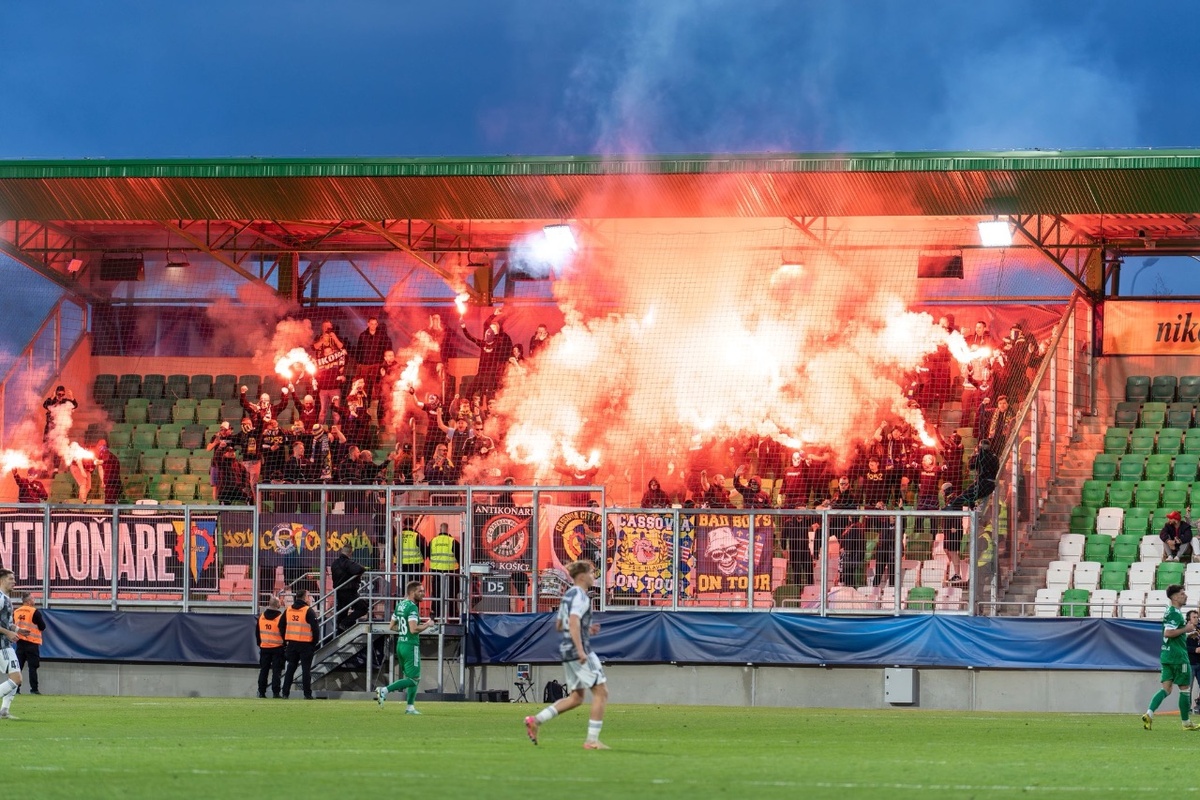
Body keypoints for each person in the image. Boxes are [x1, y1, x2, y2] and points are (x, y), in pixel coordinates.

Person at [524, 560, 609, 750]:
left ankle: (535, 720)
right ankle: (592, 740)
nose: (594, 577)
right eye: (592, 573)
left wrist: (586, 628)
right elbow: (572, 621)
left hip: (565, 649)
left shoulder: (568, 595)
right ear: (582, 576)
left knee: (576, 697)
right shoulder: (580, 596)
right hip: (578, 649)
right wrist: (580, 650)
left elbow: (559, 625)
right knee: (601, 692)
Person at [1141, 584, 1199, 730]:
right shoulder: (1175, 613)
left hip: (1166, 655)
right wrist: (1187, 628)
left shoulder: (1169, 611)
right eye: (1182, 593)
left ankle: (1149, 714)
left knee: (1166, 689)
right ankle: (1186, 723)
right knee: (1185, 689)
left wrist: (1186, 634)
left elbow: (1172, 633)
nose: (1185, 595)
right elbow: (1168, 633)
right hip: (1178, 656)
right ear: (1174, 597)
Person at [375, 580, 436, 715]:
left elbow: (392, 626)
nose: (423, 593)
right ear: (412, 592)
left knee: (413, 678)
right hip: (410, 645)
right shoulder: (412, 607)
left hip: (400, 644)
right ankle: (384, 690)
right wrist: (428, 624)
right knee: (413, 679)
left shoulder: (400, 605)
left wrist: (404, 631)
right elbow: (414, 629)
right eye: (420, 591)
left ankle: (410, 708)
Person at [280, 588, 319, 700]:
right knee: (306, 670)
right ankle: (307, 694)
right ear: (305, 598)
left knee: (290, 669)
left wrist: (285, 639)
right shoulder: (308, 611)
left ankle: (285, 693)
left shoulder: (288, 610)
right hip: (306, 644)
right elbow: (315, 629)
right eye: (308, 596)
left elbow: (281, 626)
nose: (309, 598)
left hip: (291, 644)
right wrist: (314, 643)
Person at [330, 542, 367, 633]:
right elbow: (360, 569)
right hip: (349, 591)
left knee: (342, 613)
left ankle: (339, 631)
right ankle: (345, 623)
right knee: (363, 608)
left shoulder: (334, 563)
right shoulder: (347, 563)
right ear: (350, 553)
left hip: (338, 591)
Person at [0, 569, 22, 718]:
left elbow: (7, 623)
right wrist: (8, 633)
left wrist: (18, 629)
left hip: (5, 643)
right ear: (1, 580)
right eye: (10, 579)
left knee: (15, 677)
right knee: (16, 679)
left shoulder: (6, 598)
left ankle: (4, 710)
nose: (14, 581)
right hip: (1, 645)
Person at [428, 522, 461, 620]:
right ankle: (450, 617)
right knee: (450, 595)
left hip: (436, 572)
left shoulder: (433, 541)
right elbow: (459, 557)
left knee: (437, 594)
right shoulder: (453, 541)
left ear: (439, 529)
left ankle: (437, 616)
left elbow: (429, 555)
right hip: (451, 572)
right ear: (448, 529)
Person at [13, 593, 44, 695]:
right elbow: (42, 626)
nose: (34, 600)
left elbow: (12, 625)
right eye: (33, 598)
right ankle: (34, 690)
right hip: (32, 643)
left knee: (18, 667)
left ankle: (16, 690)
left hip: (20, 643)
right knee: (33, 667)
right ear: (29, 601)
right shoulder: (34, 611)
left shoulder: (16, 611)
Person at [255, 595, 285, 699]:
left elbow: (257, 633)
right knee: (276, 672)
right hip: (278, 648)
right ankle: (276, 693)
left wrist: (261, 644)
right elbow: (284, 633)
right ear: (277, 604)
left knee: (264, 670)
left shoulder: (262, 616)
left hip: (264, 648)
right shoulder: (280, 617)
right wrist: (284, 644)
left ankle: (261, 692)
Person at [96, 439, 122, 504]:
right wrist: (103, 481)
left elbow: (106, 461)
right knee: (110, 501)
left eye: (100, 445)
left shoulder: (106, 453)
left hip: (113, 482)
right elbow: (100, 468)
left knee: (110, 502)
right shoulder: (103, 455)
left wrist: (100, 462)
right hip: (110, 483)